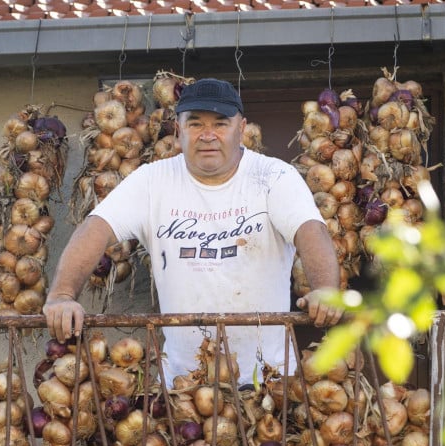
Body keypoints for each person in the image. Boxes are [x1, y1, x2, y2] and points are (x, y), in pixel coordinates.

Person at [44, 77, 342, 384]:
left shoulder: (273, 176)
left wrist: (325, 289)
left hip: (270, 382)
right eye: (196, 124)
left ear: (241, 129)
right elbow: (96, 229)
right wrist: (62, 295)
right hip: (184, 387)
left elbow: (310, 230)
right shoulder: (153, 181)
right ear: (178, 130)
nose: (208, 135)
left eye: (221, 124)